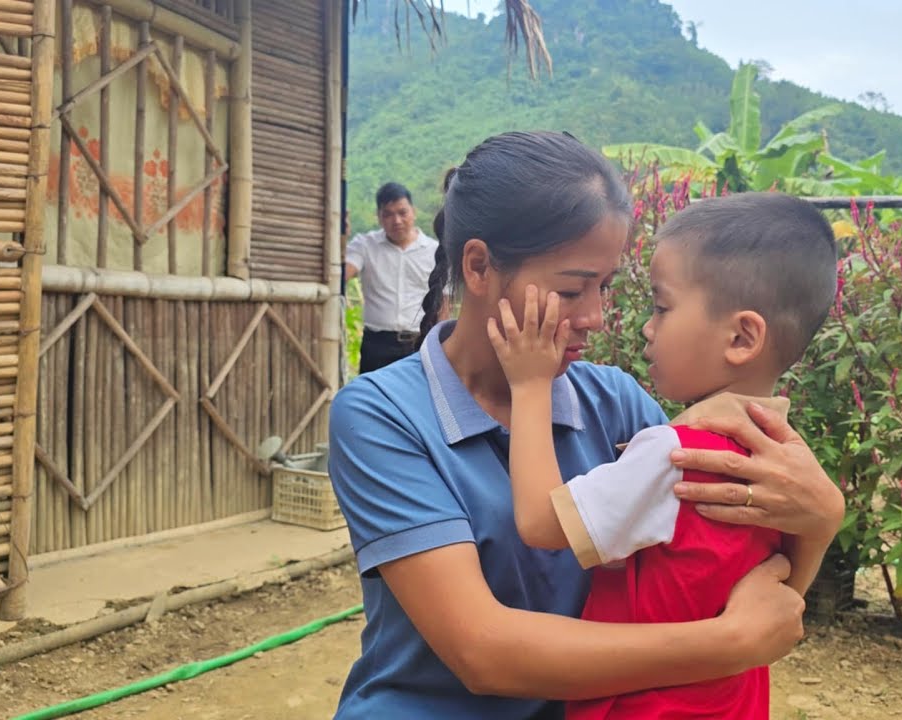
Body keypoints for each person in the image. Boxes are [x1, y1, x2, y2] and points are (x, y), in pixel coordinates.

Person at [327, 132, 845, 719]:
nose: (596, 316)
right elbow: (482, 652)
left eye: (605, 287)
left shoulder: (616, 402)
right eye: (572, 289)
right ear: (478, 267)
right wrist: (729, 644)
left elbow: (729, 577)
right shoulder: (381, 416)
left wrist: (819, 521)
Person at [489, 193, 839, 719]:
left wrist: (531, 385)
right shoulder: (779, 461)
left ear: (741, 337)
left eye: (662, 308)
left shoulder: (675, 454)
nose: (646, 327)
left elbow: (540, 523)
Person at [344, 182, 437, 373]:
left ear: (413, 212)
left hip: (419, 344)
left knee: (416, 393)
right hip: (377, 345)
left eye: (402, 212)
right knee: (372, 393)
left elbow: (444, 302)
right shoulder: (365, 245)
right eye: (388, 214)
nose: (397, 220)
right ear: (378, 217)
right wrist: (340, 238)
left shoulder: (434, 251)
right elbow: (341, 275)